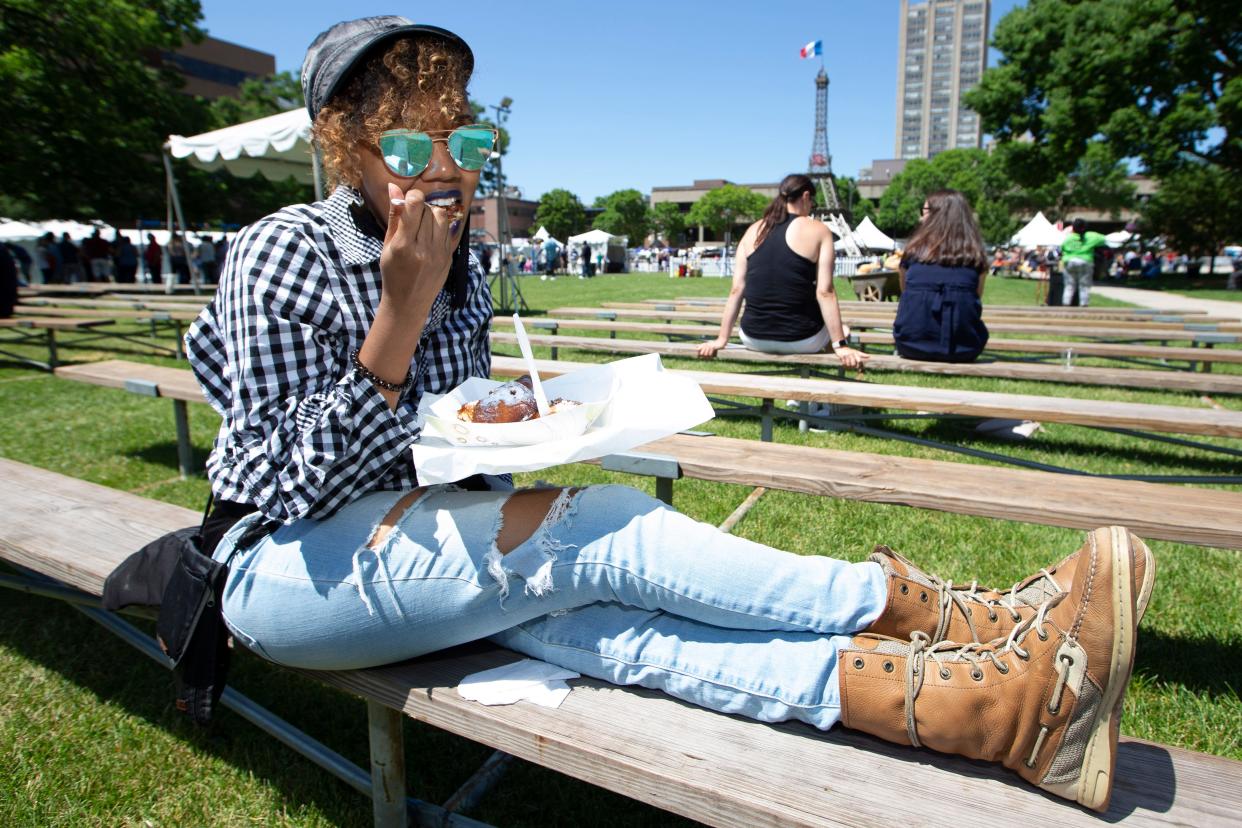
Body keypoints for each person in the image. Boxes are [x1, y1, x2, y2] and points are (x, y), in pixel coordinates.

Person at [184, 17, 1151, 813]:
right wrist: (399, 309)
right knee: (605, 528)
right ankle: (956, 616)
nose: (445, 168)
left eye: (465, 141)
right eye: (406, 143)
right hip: (282, 568)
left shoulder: (465, 261)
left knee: (615, 624)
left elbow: (451, 436)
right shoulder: (285, 252)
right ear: (345, 149)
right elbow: (286, 484)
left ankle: (992, 709)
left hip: (423, 555)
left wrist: (519, 426)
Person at [697, 173, 866, 368]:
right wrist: (841, 345)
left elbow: (736, 290)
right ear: (805, 196)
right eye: (812, 201)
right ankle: (815, 395)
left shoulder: (753, 230)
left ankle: (807, 395)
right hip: (802, 339)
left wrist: (721, 339)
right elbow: (825, 292)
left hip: (753, 337)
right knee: (842, 330)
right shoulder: (818, 230)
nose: (812, 206)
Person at [892, 190, 989, 363]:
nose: (921, 218)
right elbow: (976, 297)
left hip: (911, 344)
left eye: (925, 211)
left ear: (938, 215)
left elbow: (905, 292)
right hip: (964, 347)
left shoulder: (912, 254)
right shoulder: (976, 258)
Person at [1060, 219, 1109, 307]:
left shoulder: (1067, 237)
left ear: (1073, 228)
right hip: (1085, 261)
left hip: (1069, 261)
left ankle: (1066, 304)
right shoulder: (1091, 236)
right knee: (1084, 286)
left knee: (1069, 285)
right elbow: (1105, 239)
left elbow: (1061, 249)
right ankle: (1084, 305)